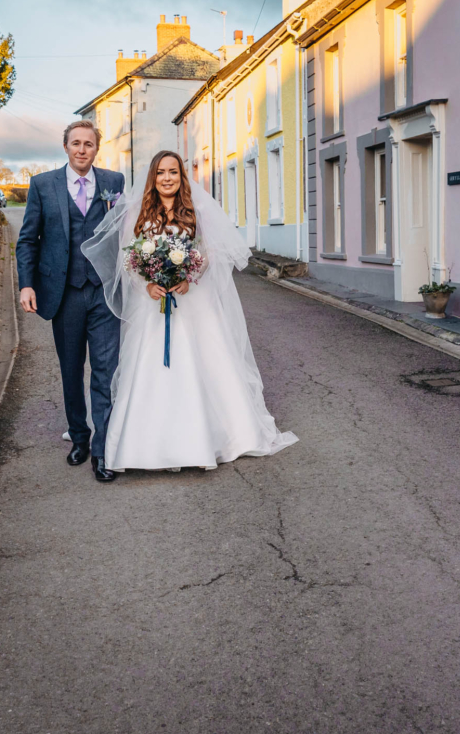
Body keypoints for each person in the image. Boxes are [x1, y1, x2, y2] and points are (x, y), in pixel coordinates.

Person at [83, 150, 296, 472]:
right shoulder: (138, 213)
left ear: (182, 177)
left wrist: (189, 275)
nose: (167, 178)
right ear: (152, 178)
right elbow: (128, 259)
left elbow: (209, 251)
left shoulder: (194, 211)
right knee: (147, 367)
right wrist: (148, 284)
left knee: (205, 362)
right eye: (160, 173)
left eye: (173, 172)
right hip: (151, 304)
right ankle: (144, 445)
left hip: (191, 299)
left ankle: (210, 438)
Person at [16, 121, 126, 483]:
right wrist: (27, 285)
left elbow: (126, 235)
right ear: (66, 147)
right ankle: (79, 437)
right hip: (63, 294)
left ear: (97, 148)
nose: (82, 150)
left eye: (89, 144)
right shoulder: (43, 185)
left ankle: (103, 451)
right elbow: (28, 240)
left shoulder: (114, 182)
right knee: (70, 370)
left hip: (104, 292)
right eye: (76, 143)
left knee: (105, 372)